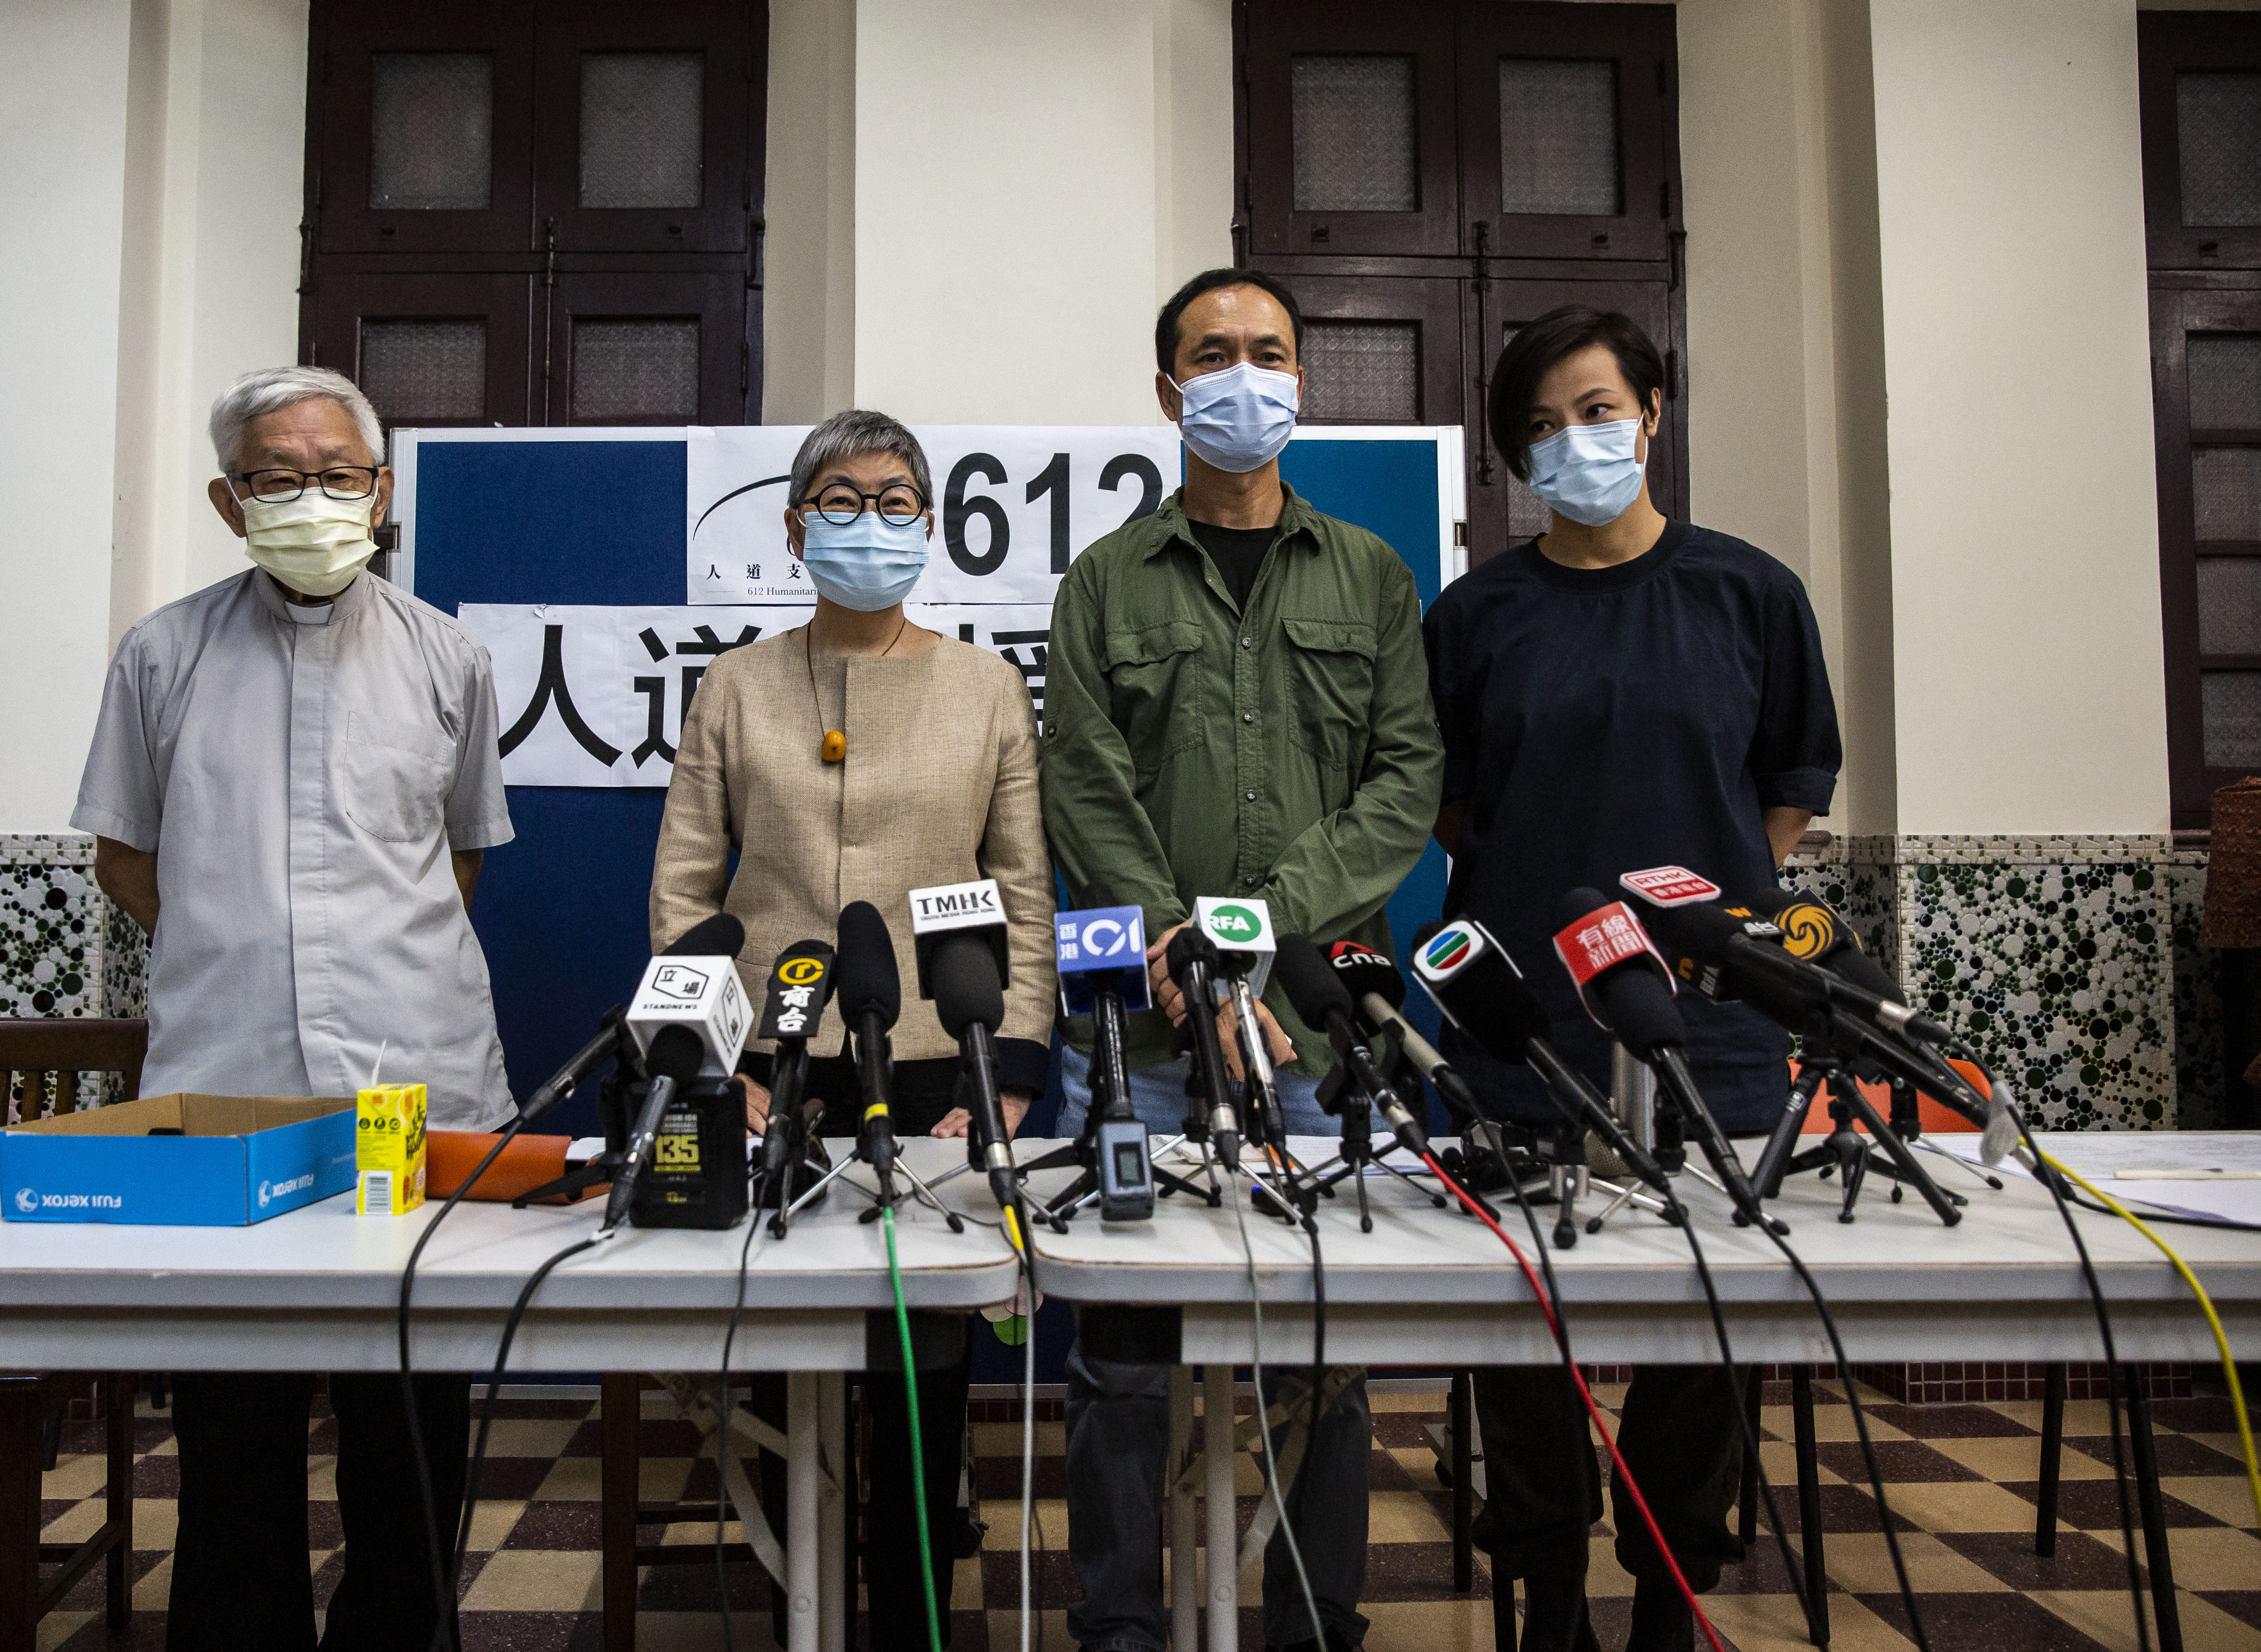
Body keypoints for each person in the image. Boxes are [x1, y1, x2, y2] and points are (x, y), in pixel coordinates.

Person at [75, 366, 515, 1650]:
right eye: (279, 476)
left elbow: (461, 857)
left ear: (381, 492)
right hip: (227, 1096)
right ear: (230, 500)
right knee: (233, 1431)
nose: (312, 497)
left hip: (406, 1088)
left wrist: (357, 956)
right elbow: (124, 855)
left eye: (338, 474)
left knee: (409, 1431)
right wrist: (239, 949)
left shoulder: (450, 654)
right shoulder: (161, 654)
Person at [1424, 305, 1842, 1652]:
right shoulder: (1476, 614)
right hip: (1519, 1027)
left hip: (1708, 1029)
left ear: (1654, 410)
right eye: (1540, 428)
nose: (1574, 442)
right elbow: (1449, 809)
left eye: (1597, 411)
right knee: (1520, 1322)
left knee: (1710, 1322)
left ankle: (1673, 1587)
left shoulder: (1751, 592)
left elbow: (1786, 793)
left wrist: (1702, 911)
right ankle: (1547, 1589)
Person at [1041, 268, 1445, 1652]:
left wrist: (1257, 931)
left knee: (1324, 1346)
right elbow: (1084, 783)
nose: (1242, 375)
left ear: (1300, 382)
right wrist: (1182, 946)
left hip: (1320, 1033)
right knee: (1120, 1357)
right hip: (1149, 1037)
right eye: (1212, 354)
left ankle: (1317, 1616)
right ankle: (1119, 1622)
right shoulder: (1103, 584)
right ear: (1167, 391)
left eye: (1268, 351)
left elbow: (1405, 784)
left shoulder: (1374, 576)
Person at [648, 407, 1056, 1652]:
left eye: (892, 501)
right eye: (839, 499)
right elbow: (684, 893)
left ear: (930, 529)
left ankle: (914, 1600)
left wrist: (1016, 1065)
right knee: (790, 1366)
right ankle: (800, 1602)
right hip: (775, 1069)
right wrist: (714, 1070)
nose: (865, 522)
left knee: (924, 1378)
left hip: (940, 1059)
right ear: (792, 525)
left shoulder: (987, 687)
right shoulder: (734, 683)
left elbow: (1024, 889)